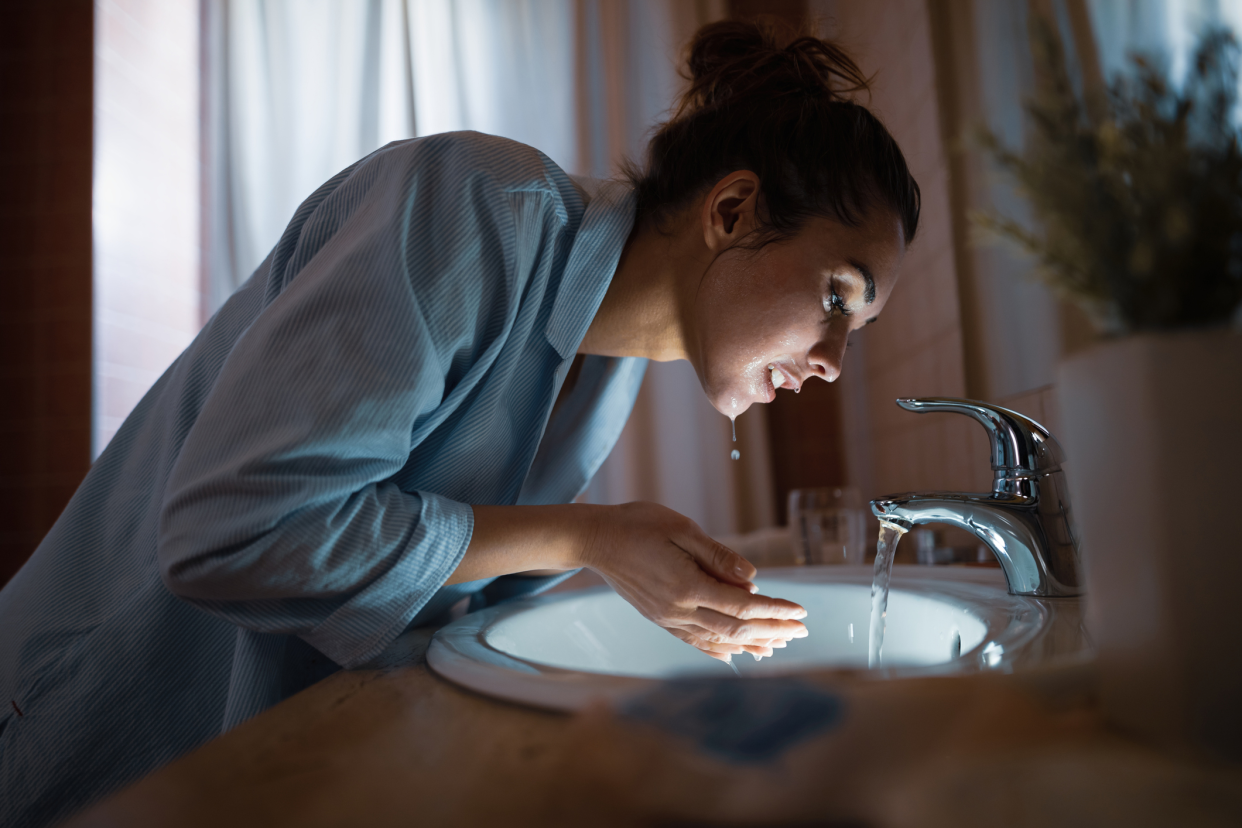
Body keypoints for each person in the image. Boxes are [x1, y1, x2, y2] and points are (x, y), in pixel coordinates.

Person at [0, 19, 918, 827]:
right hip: (89, 729)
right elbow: (233, 533)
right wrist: (589, 539)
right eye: (837, 294)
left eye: (856, 331)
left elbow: (443, 602)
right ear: (731, 210)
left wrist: (637, 582)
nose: (834, 360)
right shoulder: (476, 204)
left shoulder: (606, 373)